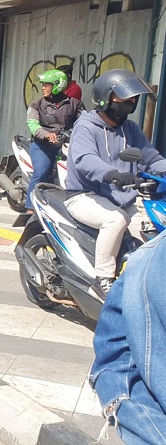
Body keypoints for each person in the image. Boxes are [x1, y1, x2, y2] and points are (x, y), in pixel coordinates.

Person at [65, 69, 166, 293]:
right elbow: (85, 159)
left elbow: (151, 158)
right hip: (84, 195)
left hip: (123, 198)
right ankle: (103, 279)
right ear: (106, 97)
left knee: (154, 225)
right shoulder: (86, 126)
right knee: (115, 220)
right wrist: (112, 174)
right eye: (124, 98)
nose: (130, 102)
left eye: (133, 99)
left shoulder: (130, 128)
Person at [90, 230, 166, 444]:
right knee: (114, 220)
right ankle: (102, 276)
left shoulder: (148, 257)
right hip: (86, 199)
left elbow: (115, 362)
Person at [24, 69, 85, 213]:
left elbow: (84, 123)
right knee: (41, 171)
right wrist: (45, 134)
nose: (43, 87)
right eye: (43, 84)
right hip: (42, 145)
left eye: (47, 84)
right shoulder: (36, 104)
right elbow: (32, 124)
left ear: (58, 85)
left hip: (65, 144)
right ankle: (30, 207)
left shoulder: (74, 104)